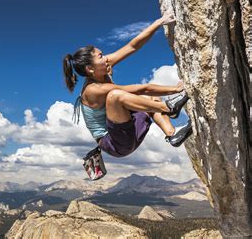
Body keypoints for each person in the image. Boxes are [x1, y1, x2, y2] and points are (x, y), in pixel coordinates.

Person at [62, 12, 192, 179]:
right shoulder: (92, 90)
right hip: (116, 143)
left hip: (127, 129)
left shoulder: (101, 68)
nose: (106, 58)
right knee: (116, 96)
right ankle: (169, 108)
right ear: (90, 68)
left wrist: (159, 23)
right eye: (100, 56)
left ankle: (172, 134)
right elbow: (138, 89)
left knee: (149, 100)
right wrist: (175, 90)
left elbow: (132, 46)